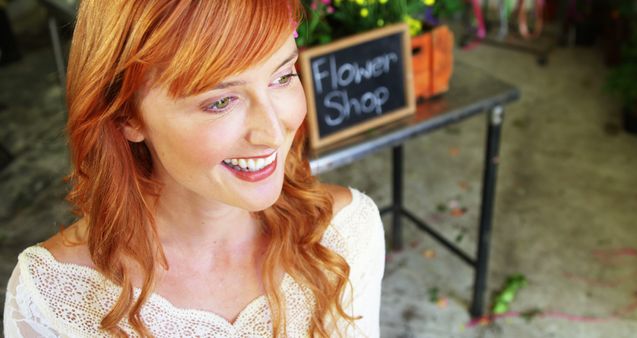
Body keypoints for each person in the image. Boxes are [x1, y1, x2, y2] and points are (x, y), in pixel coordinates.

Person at [3, 0, 385, 337]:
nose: (272, 131)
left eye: (283, 76)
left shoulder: (346, 234)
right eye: (220, 102)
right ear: (127, 117)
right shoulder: (52, 300)